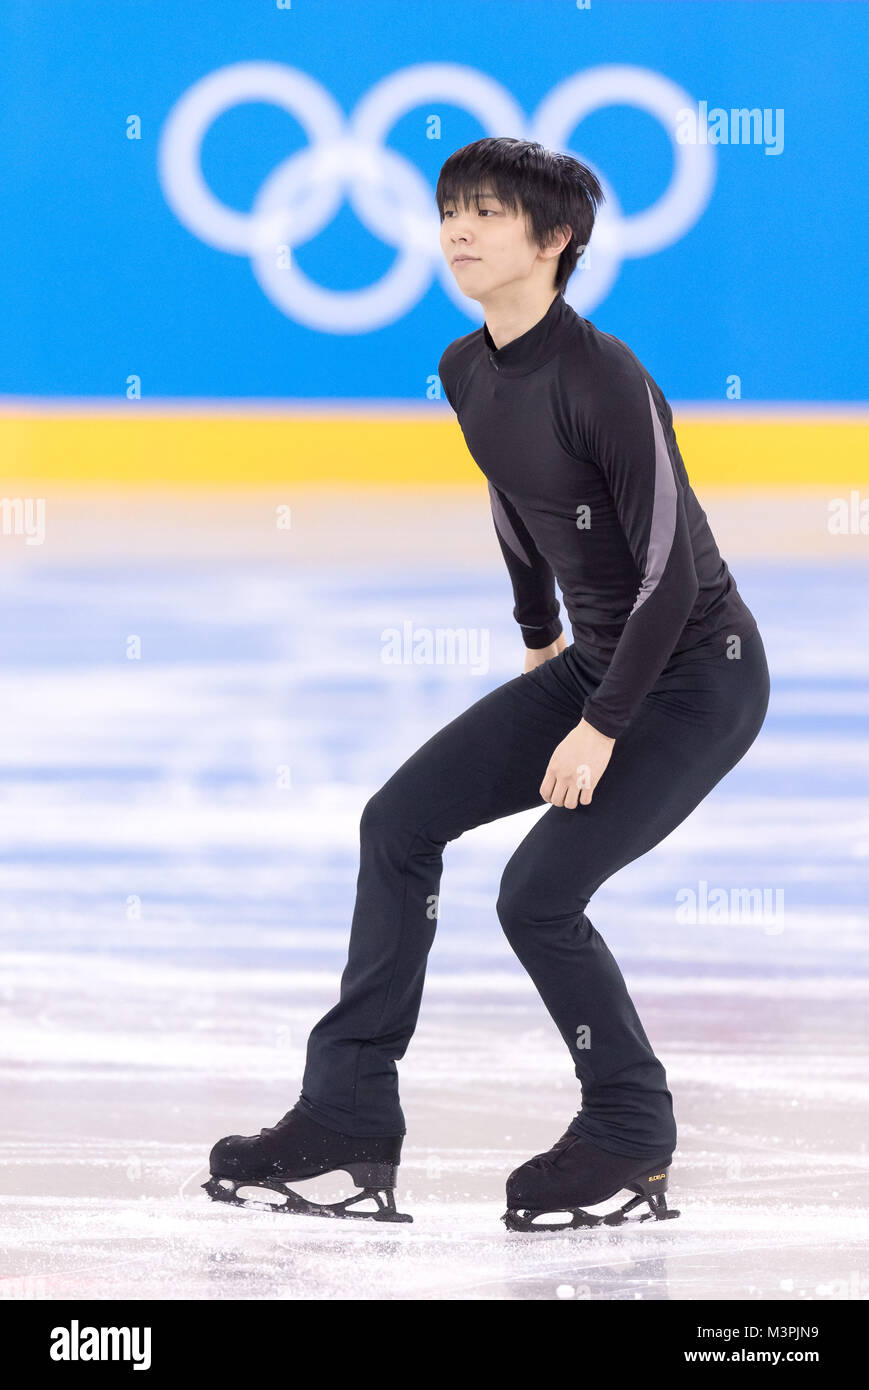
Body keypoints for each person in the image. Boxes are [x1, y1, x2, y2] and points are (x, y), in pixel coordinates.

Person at [204, 137, 770, 1229]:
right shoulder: (466, 367)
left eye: (488, 213)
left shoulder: (603, 376)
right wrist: (534, 639)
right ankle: (346, 1117)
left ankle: (626, 1130)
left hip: (696, 679)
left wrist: (600, 723)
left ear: (555, 241)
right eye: (449, 208)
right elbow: (516, 499)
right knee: (397, 822)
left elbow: (670, 573)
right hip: (596, 665)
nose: (456, 229)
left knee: (537, 896)